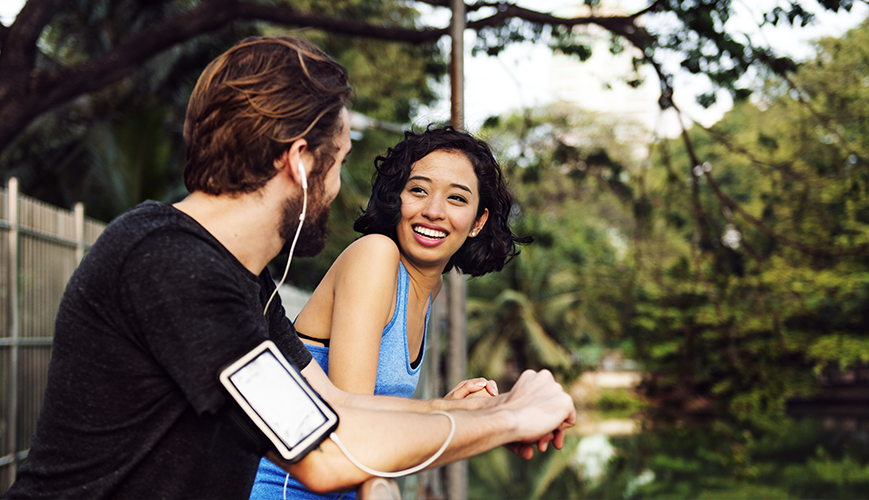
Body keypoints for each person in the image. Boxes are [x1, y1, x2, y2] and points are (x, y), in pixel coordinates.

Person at [3, 36, 575, 500]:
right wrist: (513, 420)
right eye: (339, 161)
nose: (338, 186)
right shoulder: (168, 263)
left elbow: (334, 405)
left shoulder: (239, 281)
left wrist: (484, 406)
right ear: (301, 161)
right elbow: (327, 454)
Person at [251, 126, 532, 499]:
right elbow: (358, 427)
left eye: (457, 199)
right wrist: (455, 414)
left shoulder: (431, 288)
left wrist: (447, 408)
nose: (433, 211)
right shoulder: (375, 256)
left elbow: (375, 430)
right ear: (395, 197)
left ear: (478, 221)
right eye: (418, 190)